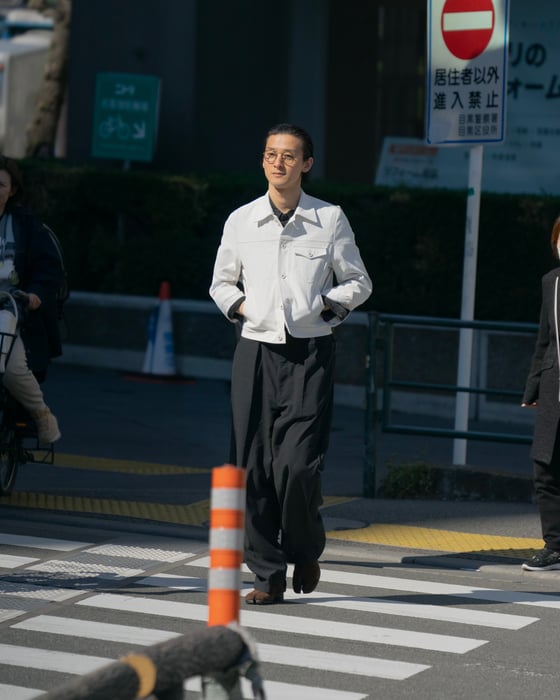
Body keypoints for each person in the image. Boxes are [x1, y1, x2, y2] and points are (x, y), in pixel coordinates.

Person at [209, 123, 372, 604]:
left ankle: (303, 549)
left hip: (310, 354)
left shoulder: (329, 218)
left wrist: (326, 307)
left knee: (297, 467)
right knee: (252, 469)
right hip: (254, 352)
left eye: (288, 155)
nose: (277, 163)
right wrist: (244, 309)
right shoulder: (241, 220)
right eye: (270, 154)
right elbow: (221, 283)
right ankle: (266, 574)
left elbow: (358, 282)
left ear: (306, 164)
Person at [0, 155, 62, 444]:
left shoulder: (26, 224)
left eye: (1, 185)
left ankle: (41, 414)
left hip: (10, 310)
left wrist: (35, 294)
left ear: (12, 190)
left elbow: (48, 268)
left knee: (11, 368)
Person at [522, 214, 560, 571]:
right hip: (553, 389)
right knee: (544, 467)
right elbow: (544, 339)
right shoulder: (551, 282)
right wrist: (533, 386)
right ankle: (555, 545)